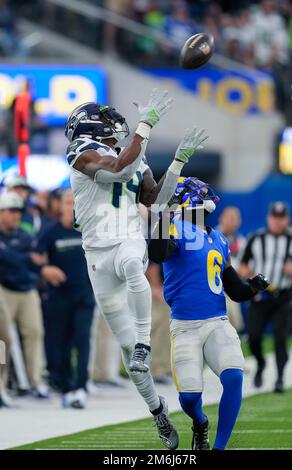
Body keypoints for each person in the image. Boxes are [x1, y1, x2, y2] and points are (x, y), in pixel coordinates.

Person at [65, 89, 207, 449]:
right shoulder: (81, 154)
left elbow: (156, 201)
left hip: (126, 238)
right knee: (130, 356)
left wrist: (178, 162)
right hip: (96, 254)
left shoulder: (134, 155)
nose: (116, 124)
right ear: (91, 126)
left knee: (132, 263)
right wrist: (145, 127)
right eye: (107, 118)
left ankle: (145, 343)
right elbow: (116, 170)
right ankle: (158, 411)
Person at [148, 177, 269, 450]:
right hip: (185, 326)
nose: (206, 196)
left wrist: (252, 287)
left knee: (234, 377)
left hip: (217, 322)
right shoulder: (175, 228)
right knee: (189, 398)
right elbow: (157, 251)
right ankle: (200, 423)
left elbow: (233, 289)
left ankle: (219, 448)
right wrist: (165, 217)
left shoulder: (218, 238)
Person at [0, 191, 64, 397]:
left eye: (18, 211)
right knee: (2, 340)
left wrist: (32, 262)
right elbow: (17, 259)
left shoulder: (25, 236)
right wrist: (31, 262)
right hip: (3, 289)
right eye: (11, 210)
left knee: (35, 332)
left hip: (26, 289)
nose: (16, 215)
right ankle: (1, 385)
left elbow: (33, 259)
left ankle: (34, 381)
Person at [35, 190, 94, 408]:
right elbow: (36, 258)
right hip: (59, 295)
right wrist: (45, 269)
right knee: (61, 342)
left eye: (75, 202)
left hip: (85, 294)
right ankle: (65, 385)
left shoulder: (88, 230)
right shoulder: (50, 231)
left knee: (83, 339)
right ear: (60, 205)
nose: (72, 206)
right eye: (68, 202)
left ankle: (81, 386)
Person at [239, 202, 292, 393]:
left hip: (283, 296)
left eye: (281, 218)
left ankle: (280, 377)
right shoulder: (255, 238)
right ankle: (261, 363)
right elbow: (242, 265)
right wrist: (246, 273)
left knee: (280, 337)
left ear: (287, 219)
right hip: (260, 296)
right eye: (274, 217)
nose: (277, 221)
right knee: (254, 337)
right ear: (269, 218)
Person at [218, 206, 246, 331]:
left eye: (235, 218)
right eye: (229, 218)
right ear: (221, 218)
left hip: (231, 287)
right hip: (216, 288)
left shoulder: (241, 241)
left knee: (234, 327)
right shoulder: (212, 236)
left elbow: (245, 269)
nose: (232, 221)